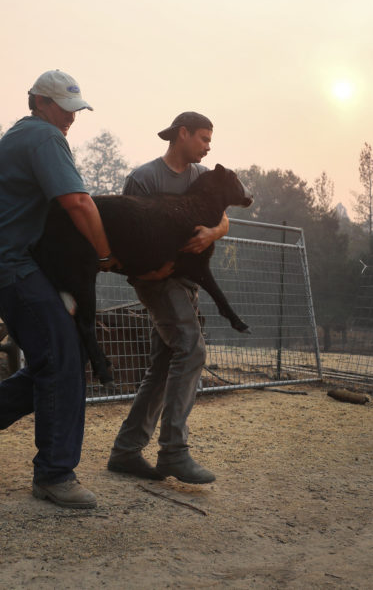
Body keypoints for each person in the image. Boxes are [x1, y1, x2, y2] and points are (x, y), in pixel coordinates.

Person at [0, 69, 121, 509]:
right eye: (65, 108)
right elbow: (78, 201)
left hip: (6, 264)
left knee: (57, 358)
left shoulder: (22, 135)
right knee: (63, 360)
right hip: (11, 266)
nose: (71, 118)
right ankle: (53, 475)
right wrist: (105, 255)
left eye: (76, 110)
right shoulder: (44, 137)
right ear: (41, 103)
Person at [106, 111, 226, 484]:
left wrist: (213, 234)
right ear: (183, 134)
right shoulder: (143, 179)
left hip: (186, 282)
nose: (209, 146)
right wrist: (144, 274)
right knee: (191, 348)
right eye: (204, 139)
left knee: (163, 365)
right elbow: (125, 233)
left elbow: (224, 219)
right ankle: (174, 452)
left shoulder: (203, 178)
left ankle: (126, 451)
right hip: (157, 282)